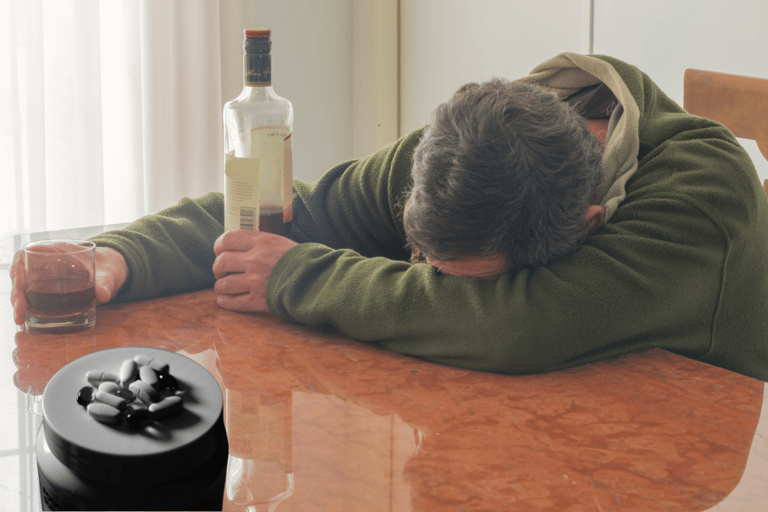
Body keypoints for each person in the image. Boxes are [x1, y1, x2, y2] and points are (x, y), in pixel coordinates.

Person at [11, 54, 768, 381]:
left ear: (589, 224)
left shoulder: (702, 197)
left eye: (455, 283)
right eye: (424, 260)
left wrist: (299, 277)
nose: (430, 283)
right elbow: (299, 216)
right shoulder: (474, 143)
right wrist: (119, 257)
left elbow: (515, 325)